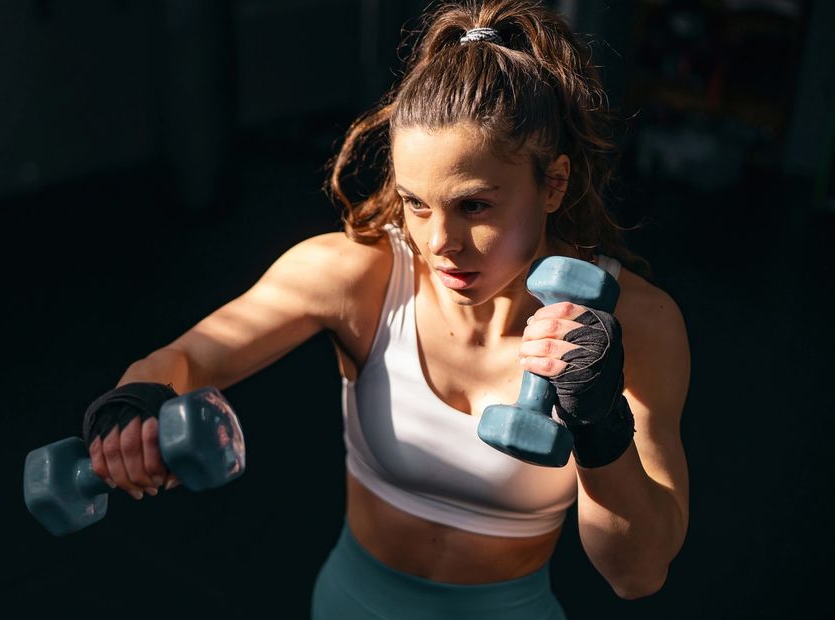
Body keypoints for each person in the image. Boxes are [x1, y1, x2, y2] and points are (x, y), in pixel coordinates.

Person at [80, 0, 690, 617]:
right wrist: (132, 410)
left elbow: (637, 574)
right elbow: (183, 359)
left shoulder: (635, 324)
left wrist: (598, 421)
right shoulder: (358, 277)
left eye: (474, 206)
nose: (440, 243)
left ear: (553, 183)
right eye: (416, 203)